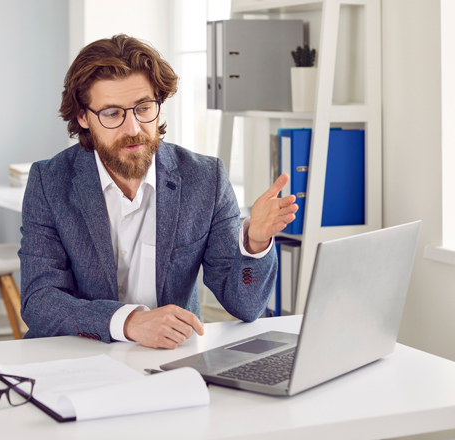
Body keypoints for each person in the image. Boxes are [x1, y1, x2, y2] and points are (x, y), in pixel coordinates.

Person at [19, 35, 298, 349]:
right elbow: (39, 301)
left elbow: (245, 306)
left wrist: (255, 243)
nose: (134, 128)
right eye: (112, 114)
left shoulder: (206, 179)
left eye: (144, 107)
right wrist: (128, 322)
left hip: (172, 359)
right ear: (83, 117)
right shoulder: (50, 181)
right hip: (79, 354)